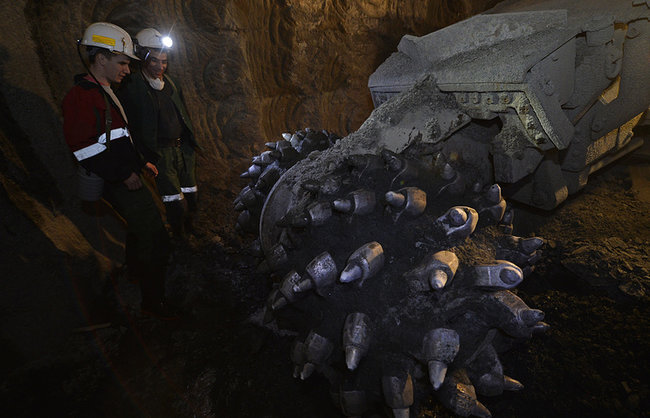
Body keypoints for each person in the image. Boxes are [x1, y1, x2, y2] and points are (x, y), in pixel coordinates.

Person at [62, 22, 177, 320]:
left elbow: (119, 137)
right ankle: (154, 302)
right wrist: (123, 174)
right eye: (123, 63)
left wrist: (139, 163)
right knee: (154, 235)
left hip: (125, 174)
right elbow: (83, 148)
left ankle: (135, 273)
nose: (127, 70)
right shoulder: (82, 97)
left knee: (141, 228)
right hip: (116, 181)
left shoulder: (106, 91)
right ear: (101, 59)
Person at [119, 28, 201, 244]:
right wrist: (142, 156)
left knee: (191, 195)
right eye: (154, 60)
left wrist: (190, 143)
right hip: (161, 153)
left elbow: (182, 114)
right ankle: (179, 237)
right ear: (143, 58)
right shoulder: (133, 86)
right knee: (175, 201)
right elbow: (131, 125)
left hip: (182, 149)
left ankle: (189, 228)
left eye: (164, 61)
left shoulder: (171, 83)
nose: (160, 66)